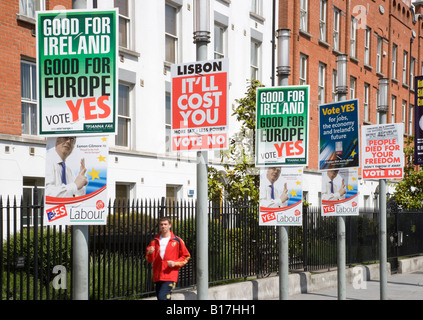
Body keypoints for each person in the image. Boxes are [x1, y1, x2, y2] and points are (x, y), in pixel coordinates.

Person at [146, 217, 190, 300]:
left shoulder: (177, 240)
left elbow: (186, 256)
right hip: (158, 275)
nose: (163, 226)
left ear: (170, 225)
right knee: (162, 297)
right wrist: (150, 253)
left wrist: (175, 263)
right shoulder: (154, 241)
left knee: (162, 297)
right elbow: (149, 259)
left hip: (170, 275)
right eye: (161, 224)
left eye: (165, 224)